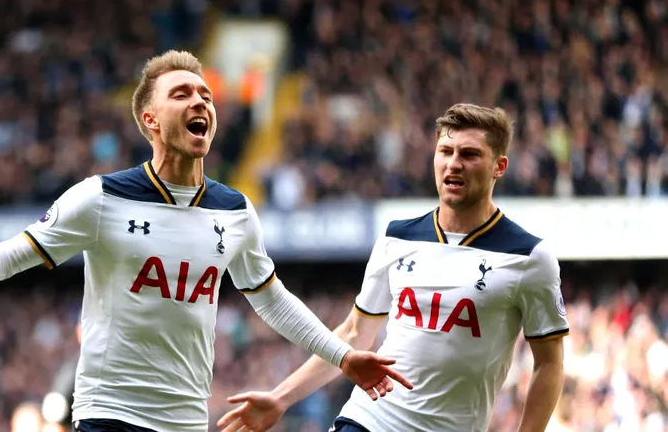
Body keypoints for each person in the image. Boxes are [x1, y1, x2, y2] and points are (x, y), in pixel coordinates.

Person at [0, 50, 412, 432]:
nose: (200, 101)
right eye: (181, 94)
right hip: (110, 412)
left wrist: (344, 358)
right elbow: (15, 254)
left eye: (206, 96)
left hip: (187, 418)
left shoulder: (234, 211)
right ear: (150, 121)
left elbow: (275, 303)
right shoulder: (100, 197)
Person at [217, 103, 569, 432]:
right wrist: (281, 397)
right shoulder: (396, 237)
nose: (453, 164)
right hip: (370, 418)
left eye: (470, 154)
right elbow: (354, 333)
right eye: (445, 152)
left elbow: (549, 364)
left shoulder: (529, 257)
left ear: (499, 166)